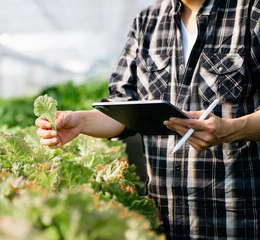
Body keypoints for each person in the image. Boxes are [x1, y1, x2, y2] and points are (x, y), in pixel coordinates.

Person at [36, 0, 260, 239]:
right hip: (165, 219)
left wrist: (231, 129)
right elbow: (124, 106)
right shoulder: (147, 21)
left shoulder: (250, 12)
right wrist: (80, 122)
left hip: (234, 220)